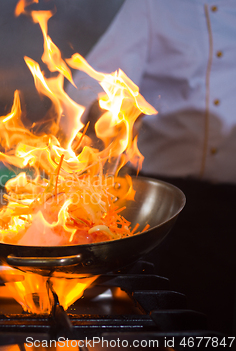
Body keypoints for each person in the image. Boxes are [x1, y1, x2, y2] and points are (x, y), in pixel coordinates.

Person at [67, 0, 236, 335]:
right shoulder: (154, 6)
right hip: (163, 206)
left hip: (232, 203)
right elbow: (91, 83)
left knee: (223, 320)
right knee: (161, 320)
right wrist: (99, 120)